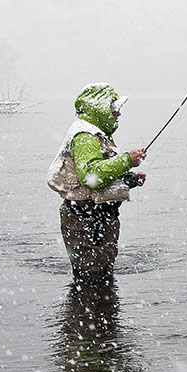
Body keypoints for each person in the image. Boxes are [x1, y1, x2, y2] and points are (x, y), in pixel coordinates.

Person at [47, 82, 147, 283]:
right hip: (84, 219)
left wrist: (129, 180)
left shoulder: (98, 135)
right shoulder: (84, 137)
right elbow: (91, 177)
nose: (118, 114)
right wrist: (127, 159)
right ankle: (90, 312)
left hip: (97, 216)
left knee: (101, 279)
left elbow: (100, 176)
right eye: (114, 108)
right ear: (99, 108)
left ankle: (95, 311)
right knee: (92, 280)